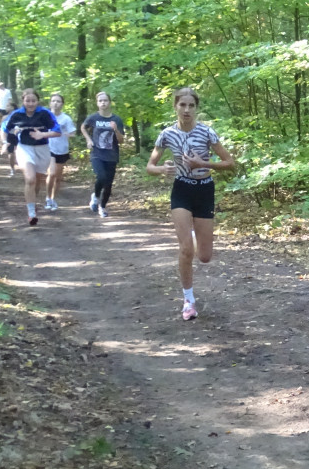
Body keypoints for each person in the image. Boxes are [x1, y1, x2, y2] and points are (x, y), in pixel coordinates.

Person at [146, 87, 235, 321]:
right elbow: (149, 167)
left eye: (191, 105)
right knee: (186, 249)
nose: (186, 110)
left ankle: (196, 235)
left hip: (204, 189)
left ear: (196, 108)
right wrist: (161, 169)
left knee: (204, 257)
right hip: (182, 189)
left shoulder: (207, 132)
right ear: (175, 106)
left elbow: (229, 162)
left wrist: (203, 164)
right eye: (182, 105)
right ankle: (188, 301)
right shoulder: (167, 134)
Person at [0, 88, 61, 225]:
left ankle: (33, 202)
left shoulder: (45, 113)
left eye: (33, 101)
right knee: (30, 178)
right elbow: (4, 129)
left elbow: (57, 131)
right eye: (28, 101)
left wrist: (43, 135)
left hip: (42, 149)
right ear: (23, 101)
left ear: (37, 101)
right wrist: (5, 142)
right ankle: (31, 213)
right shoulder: (16, 115)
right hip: (24, 149)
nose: (31, 103)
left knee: (37, 180)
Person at [80, 91, 125, 218]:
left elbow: (121, 140)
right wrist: (89, 140)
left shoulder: (116, 119)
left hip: (112, 155)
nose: (103, 103)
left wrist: (116, 129)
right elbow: (83, 127)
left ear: (109, 102)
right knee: (101, 176)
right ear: (97, 103)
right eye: (100, 101)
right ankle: (95, 196)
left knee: (108, 183)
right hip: (97, 153)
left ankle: (103, 206)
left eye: (105, 100)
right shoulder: (94, 118)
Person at [45, 92, 77, 211]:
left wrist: (65, 134)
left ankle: (53, 199)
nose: (56, 103)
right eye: (53, 101)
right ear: (50, 103)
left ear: (62, 104)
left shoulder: (66, 118)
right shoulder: (45, 116)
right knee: (51, 173)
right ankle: (48, 198)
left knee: (58, 177)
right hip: (48, 148)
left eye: (58, 101)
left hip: (62, 149)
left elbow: (73, 133)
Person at [0, 83, 18, 177]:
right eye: (6, 106)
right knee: (11, 152)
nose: (7, 107)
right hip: (9, 135)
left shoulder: (18, 115)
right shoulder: (4, 117)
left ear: (13, 107)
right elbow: (2, 127)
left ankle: (22, 166)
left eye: (9, 106)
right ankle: (12, 169)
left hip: (18, 135)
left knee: (18, 151)